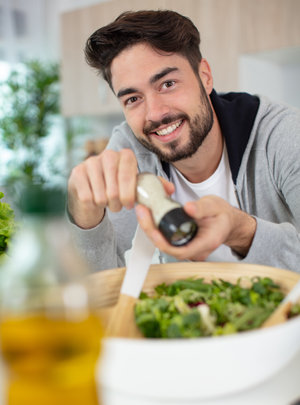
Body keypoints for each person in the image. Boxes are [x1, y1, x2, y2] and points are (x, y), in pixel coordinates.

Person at [67, 9, 300, 273]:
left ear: (205, 76)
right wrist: (85, 217)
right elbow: (95, 287)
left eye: (167, 84)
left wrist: (243, 231)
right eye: (133, 99)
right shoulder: (131, 149)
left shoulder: (284, 135)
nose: (155, 114)